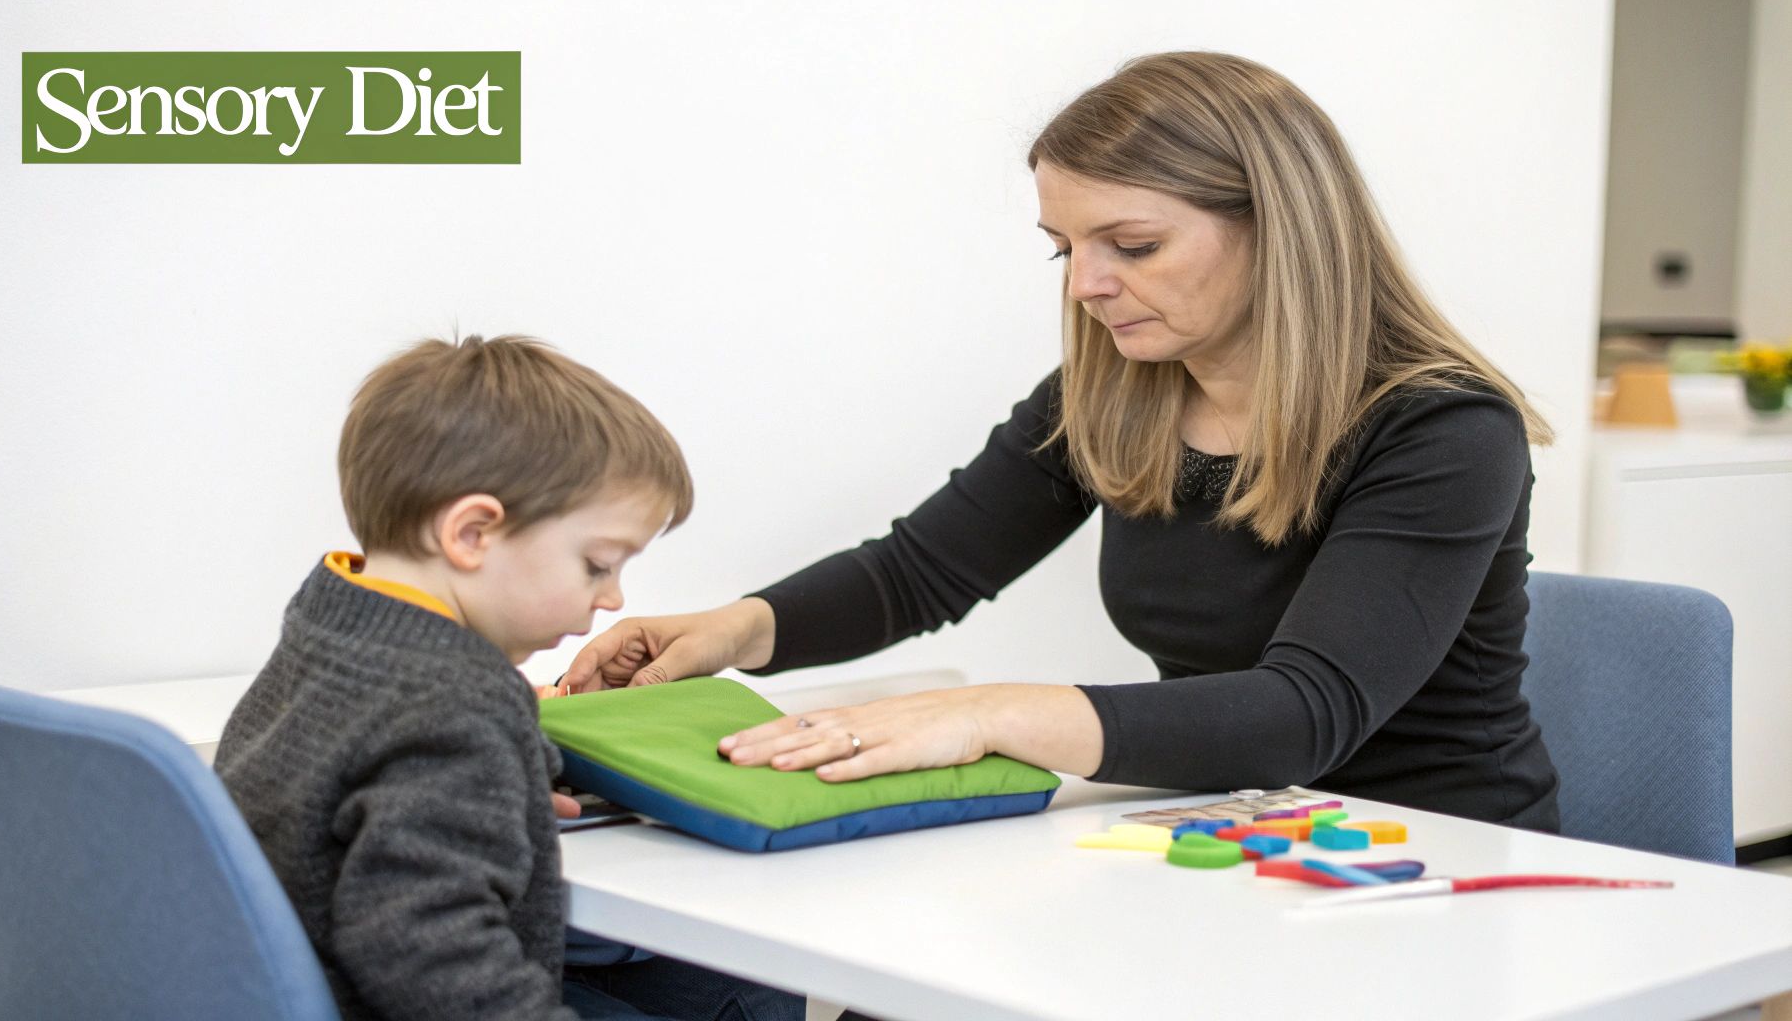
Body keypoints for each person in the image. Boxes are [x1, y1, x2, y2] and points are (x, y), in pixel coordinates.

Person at [558, 52, 1562, 833]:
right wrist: (734, 629)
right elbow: (919, 573)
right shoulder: (1113, 393)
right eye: (1064, 248)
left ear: (1277, 226)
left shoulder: (1443, 428)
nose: (1084, 285)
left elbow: (1300, 712)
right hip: (1230, 825)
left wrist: (990, 712)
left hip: (1428, 854)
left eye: (1130, 246)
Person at [214, 336, 804, 1020]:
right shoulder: (453, 704)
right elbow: (428, 955)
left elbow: (355, 785)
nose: (612, 597)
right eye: (597, 564)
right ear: (471, 535)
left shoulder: (331, 629)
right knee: (756, 982)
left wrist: (507, 780)